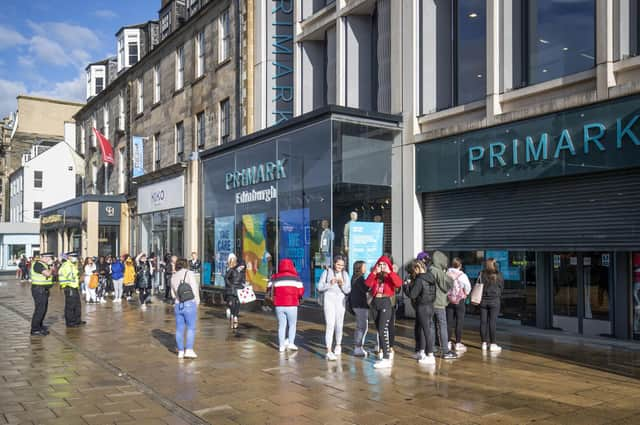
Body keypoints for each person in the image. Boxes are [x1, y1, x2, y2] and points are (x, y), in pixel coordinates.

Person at [364, 256, 402, 369]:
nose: (382, 267)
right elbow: (367, 285)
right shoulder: (375, 275)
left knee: (383, 329)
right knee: (379, 329)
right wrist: (374, 272)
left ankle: (386, 357)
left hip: (386, 302)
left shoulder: (390, 275)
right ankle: (383, 353)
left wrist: (389, 272)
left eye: (384, 264)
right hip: (375, 302)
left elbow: (398, 284)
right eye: (380, 264)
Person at [317, 255, 351, 360]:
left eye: (342, 265)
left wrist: (342, 284)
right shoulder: (326, 272)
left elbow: (348, 290)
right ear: (334, 263)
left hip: (340, 301)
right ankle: (328, 350)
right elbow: (319, 287)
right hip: (329, 300)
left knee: (339, 324)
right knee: (330, 324)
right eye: (338, 264)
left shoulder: (345, 274)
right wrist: (329, 283)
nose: (339, 267)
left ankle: (338, 345)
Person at [404, 259, 437, 365]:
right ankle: (422, 352)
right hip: (430, 306)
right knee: (423, 329)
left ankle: (430, 355)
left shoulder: (419, 280)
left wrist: (406, 286)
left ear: (417, 268)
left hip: (422, 307)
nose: (413, 273)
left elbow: (412, 295)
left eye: (413, 270)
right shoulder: (431, 277)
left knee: (426, 330)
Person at [270, 258, 304, 352]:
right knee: (292, 325)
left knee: (281, 325)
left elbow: (268, 287)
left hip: (279, 305)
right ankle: (291, 343)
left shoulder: (275, 277)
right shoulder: (296, 278)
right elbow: (301, 292)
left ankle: (281, 346)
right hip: (292, 304)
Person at [171, 258, 200, 359]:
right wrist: (197, 301)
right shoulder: (189, 273)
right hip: (189, 304)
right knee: (191, 328)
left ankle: (180, 351)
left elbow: (173, 293)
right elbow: (194, 288)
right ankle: (189, 349)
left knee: (179, 329)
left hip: (178, 305)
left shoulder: (173, 276)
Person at [430, 251, 457, 359]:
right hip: (439, 303)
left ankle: (431, 347)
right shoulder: (439, 272)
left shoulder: (430, 269)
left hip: (429, 302)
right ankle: (445, 351)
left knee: (431, 325)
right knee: (442, 326)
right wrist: (450, 278)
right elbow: (446, 286)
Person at [478, 258, 504, 352]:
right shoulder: (498, 274)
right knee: (492, 322)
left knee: (483, 322)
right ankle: (493, 344)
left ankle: (484, 343)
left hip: (483, 301)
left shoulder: (481, 274)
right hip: (494, 301)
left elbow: (477, 285)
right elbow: (502, 287)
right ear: (494, 264)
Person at [446, 257, 471, 352]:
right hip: (460, 300)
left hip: (448, 300)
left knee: (449, 322)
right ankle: (457, 343)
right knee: (459, 321)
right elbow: (468, 287)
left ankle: (448, 342)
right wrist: (466, 294)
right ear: (460, 265)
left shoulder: (447, 274)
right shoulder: (462, 275)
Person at [30, 253, 55, 336]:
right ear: (43, 257)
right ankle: (35, 329)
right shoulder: (38, 264)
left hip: (44, 289)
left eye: (50, 257)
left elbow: (52, 273)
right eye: (48, 257)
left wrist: (51, 267)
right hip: (39, 289)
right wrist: (51, 267)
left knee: (43, 309)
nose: (49, 259)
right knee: (39, 310)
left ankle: (39, 326)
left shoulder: (44, 264)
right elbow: (47, 274)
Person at [59, 252, 85, 327]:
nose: (75, 258)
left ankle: (77, 320)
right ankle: (70, 322)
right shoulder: (67, 265)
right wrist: (79, 276)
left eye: (76, 256)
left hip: (74, 287)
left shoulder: (72, 265)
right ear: (69, 257)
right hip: (69, 287)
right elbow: (70, 276)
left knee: (77, 305)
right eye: (74, 256)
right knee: (70, 305)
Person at [349, 260, 369, 357]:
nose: (365, 268)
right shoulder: (360, 278)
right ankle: (358, 347)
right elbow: (366, 289)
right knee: (362, 327)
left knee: (361, 326)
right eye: (364, 267)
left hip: (357, 305)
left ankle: (359, 347)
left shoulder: (354, 277)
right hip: (360, 305)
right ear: (359, 268)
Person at [224, 256, 246, 329]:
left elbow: (243, 280)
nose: (242, 267)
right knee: (232, 304)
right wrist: (230, 285)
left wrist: (244, 284)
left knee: (238, 304)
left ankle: (235, 316)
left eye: (243, 266)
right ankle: (232, 315)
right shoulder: (232, 270)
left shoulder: (242, 273)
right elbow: (226, 278)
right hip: (232, 289)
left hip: (239, 289)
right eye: (241, 266)